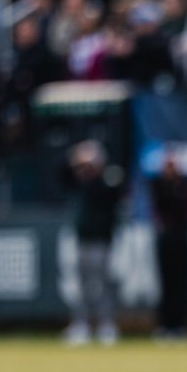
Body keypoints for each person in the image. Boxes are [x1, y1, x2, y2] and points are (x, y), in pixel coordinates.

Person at [62, 139, 125, 346]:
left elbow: (109, 193)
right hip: (82, 240)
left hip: (102, 241)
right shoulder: (80, 180)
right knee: (80, 286)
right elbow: (60, 175)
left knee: (104, 285)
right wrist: (76, 157)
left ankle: (106, 325)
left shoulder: (108, 179)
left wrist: (95, 169)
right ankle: (81, 325)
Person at [150, 152, 187, 339]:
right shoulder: (158, 186)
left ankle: (181, 324)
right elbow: (160, 206)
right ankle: (165, 324)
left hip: (181, 238)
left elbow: (185, 210)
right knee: (165, 282)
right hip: (165, 238)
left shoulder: (185, 187)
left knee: (182, 281)